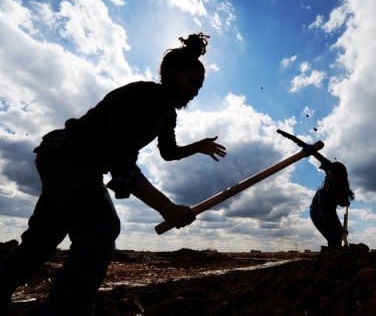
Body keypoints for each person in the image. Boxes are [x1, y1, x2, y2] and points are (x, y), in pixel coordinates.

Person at [0, 33, 226, 315]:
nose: (195, 91)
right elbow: (122, 163)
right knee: (101, 228)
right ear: (169, 74)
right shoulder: (142, 96)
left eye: (200, 86)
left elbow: (168, 152)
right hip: (68, 156)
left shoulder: (167, 114)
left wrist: (198, 147)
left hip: (77, 166)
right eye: (191, 82)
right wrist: (167, 208)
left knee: (42, 240)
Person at [310, 160, 355, 251]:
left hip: (329, 211)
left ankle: (335, 255)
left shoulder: (341, 184)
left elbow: (341, 202)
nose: (332, 176)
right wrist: (339, 228)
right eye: (330, 173)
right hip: (317, 212)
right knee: (334, 237)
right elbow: (327, 213)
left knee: (337, 236)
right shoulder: (324, 191)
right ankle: (330, 259)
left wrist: (345, 201)